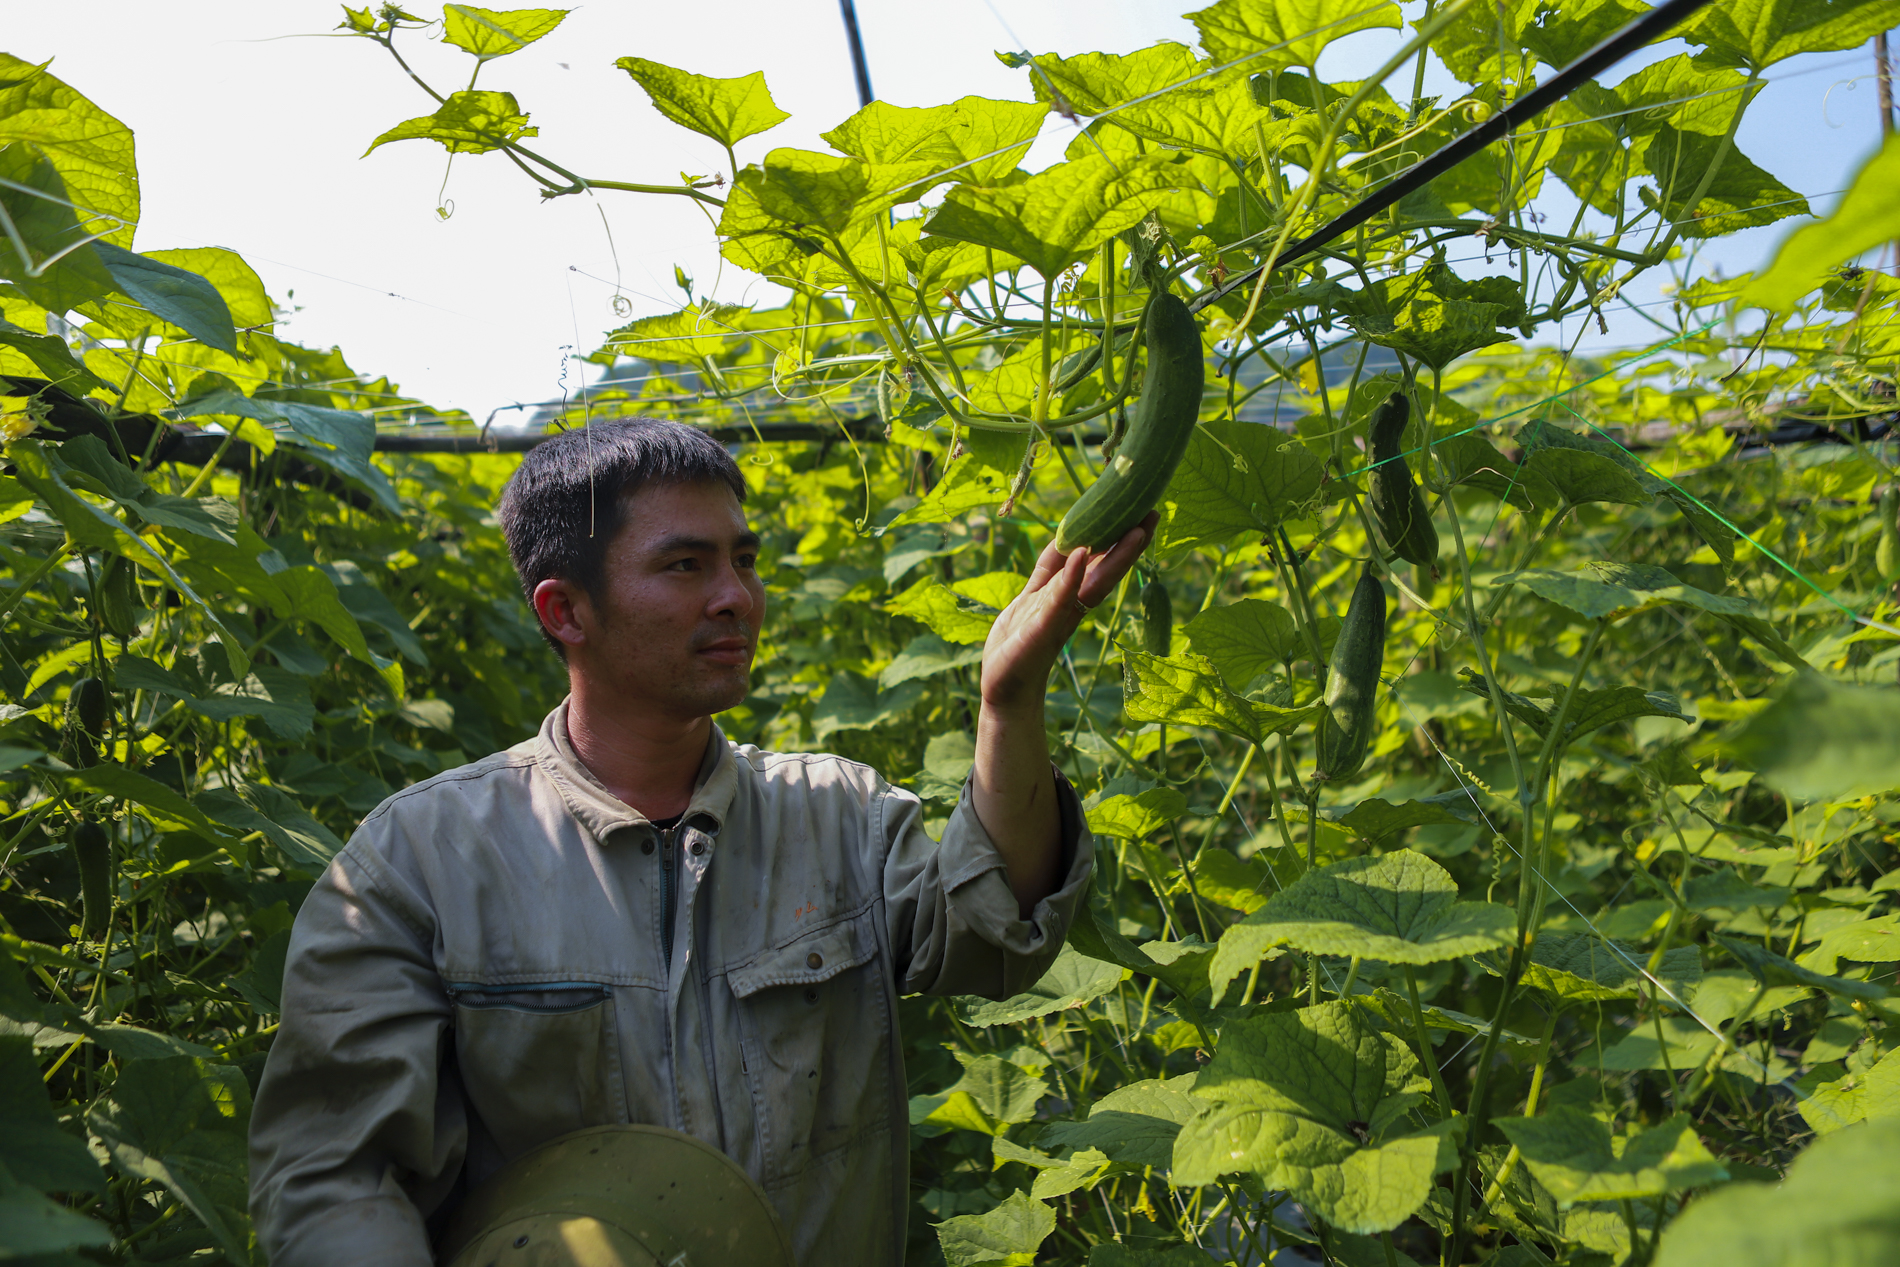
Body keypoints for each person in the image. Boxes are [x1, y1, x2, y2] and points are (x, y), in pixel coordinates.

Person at [247, 419, 1156, 1266]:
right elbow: (335, 1173)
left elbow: (993, 937)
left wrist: (1010, 701)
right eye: (685, 565)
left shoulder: (839, 815)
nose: (737, 597)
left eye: (743, 558)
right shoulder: (418, 862)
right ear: (565, 611)